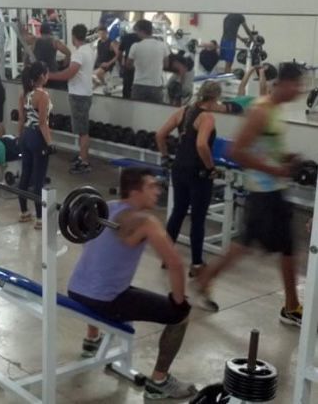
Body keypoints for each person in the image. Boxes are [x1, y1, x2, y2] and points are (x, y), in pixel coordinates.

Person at [67, 168, 197, 400]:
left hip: (76, 289)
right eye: (151, 187)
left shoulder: (104, 207)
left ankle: (92, 339)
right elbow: (175, 264)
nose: (158, 191)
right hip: (104, 301)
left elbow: (91, 249)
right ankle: (159, 382)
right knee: (181, 317)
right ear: (135, 191)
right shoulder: (146, 221)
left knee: (115, 287)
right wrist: (179, 303)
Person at [195, 63, 305, 325]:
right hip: (263, 192)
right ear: (284, 83)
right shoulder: (261, 110)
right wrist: (274, 169)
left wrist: (286, 158)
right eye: (297, 85)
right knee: (260, 247)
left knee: (270, 246)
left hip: (273, 190)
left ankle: (206, 280)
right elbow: (236, 152)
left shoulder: (275, 109)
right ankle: (290, 306)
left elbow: (264, 147)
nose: (300, 91)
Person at [157, 81, 221, 277]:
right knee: (198, 218)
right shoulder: (207, 117)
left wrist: (165, 157)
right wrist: (211, 168)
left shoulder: (183, 111)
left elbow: (160, 135)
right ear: (215, 98)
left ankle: (167, 258)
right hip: (198, 172)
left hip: (179, 168)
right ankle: (197, 264)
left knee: (178, 211)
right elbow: (202, 145)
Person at [48, 24, 94, 175]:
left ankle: (84, 162)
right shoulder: (89, 50)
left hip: (79, 96)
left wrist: (49, 75)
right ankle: (81, 156)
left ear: (73, 37)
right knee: (81, 130)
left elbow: (69, 74)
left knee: (83, 131)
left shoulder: (79, 53)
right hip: (84, 94)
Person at [16, 62, 53, 229]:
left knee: (25, 174)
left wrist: (19, 137)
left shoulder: (24, 94)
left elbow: (21, 119)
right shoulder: (43, 95)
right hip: (37, 137)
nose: (48, 76)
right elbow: (42, 123)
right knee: (38, 179)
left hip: (25, 135)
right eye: (47, 73)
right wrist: (50, 143)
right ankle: (39, 219)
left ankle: (24, 212)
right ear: (42, 76)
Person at [127, 19, 170, 104]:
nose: (136, 34)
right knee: (155, 110)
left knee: (137, 110)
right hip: (156, 85)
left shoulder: (135, 46)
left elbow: (128, 65)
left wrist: (137, 67)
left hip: (139, 84)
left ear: (141, 31)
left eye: (137, 31)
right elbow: (166, 65)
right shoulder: (163, 46)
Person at [32, 22, 71, 91]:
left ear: (40, 31)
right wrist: (64, 64)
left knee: (41, 93)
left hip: (39, 74)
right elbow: (68, 53)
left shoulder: (35, 41)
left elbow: (27, 54)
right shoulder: (54, 41)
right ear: (50, 31)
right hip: (52, 73)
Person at [118, 30, 142, 99]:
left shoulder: (126, 37)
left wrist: (121, 64)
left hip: (128, 65)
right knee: (139, 88)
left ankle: (126, 102)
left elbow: (119, 53)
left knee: (127, 87)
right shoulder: (143, 39)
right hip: (140, 66)